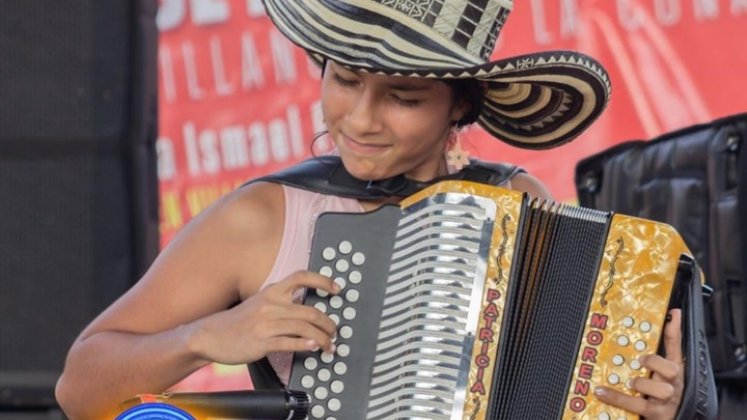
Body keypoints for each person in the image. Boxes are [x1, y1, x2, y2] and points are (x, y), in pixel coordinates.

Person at [55, 1, 685, 419]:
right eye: (346, 80)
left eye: (402, 97)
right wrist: (202, 337)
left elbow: (564, 387)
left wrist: (654, 400)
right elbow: (79, 387)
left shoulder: (518, 203)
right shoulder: (261, 216)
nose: (360, 119)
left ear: (459, 107)